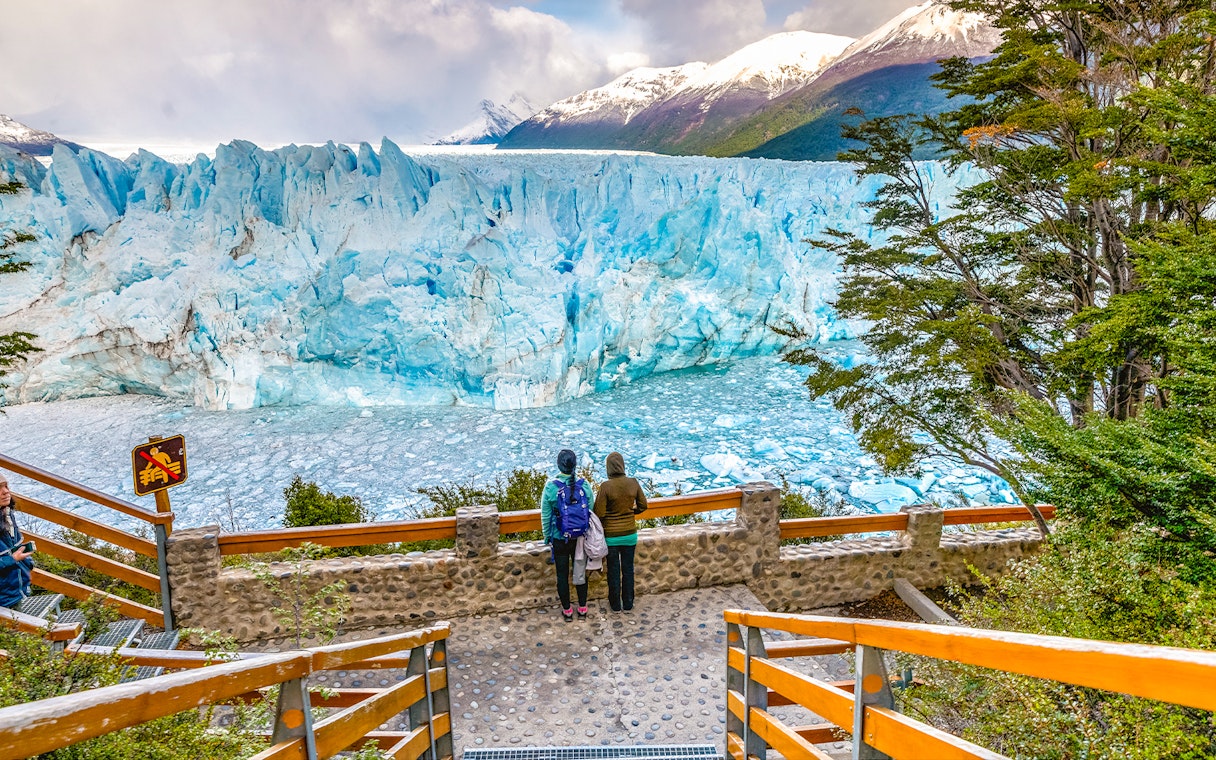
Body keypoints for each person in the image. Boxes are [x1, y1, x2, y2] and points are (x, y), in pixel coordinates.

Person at [540, 449, 593, 622]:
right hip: (579, 537)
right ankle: (583, 608)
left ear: (558, 465)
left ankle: (568, 611)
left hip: (559, 537)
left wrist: (547, 537)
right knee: (580, 572)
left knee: (562, 575)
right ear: (575, 465)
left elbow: (546, 515)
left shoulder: (550, 487)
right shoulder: (583, 485)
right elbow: (590, 510)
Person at [593, 452, 648, 612]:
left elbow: (599, 513)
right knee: (628, 569)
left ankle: (615, 604)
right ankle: (629, 602)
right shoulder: (633, 483)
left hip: (611, 537)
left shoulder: (606, 486)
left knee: (614, 571)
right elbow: (644, 505)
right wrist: (631, 512)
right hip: (630, 534)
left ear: (608, 467)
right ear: (622, 465)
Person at [0, 476, 34, 610]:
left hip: (15, 590)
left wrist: (27, 562)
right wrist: (12, 559)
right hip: (4, 598)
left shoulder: (6, 515)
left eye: (6, 486)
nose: (5, 492)